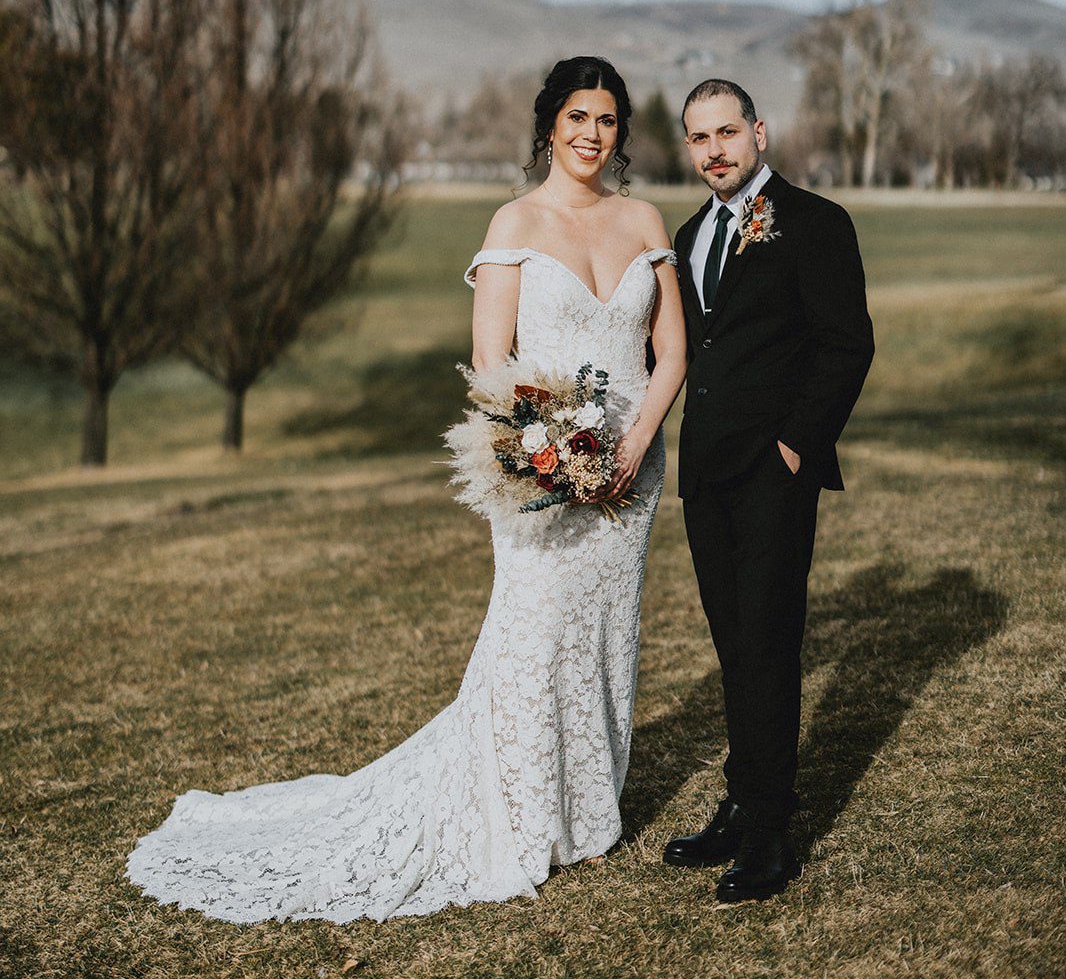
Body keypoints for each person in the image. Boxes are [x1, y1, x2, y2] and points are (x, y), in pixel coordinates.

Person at [125, 56, 687, 923]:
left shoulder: (643, 218)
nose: (592, 133)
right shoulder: (514, 222)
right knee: (533, 635)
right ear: (549, 124)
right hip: (544, 469)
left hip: (633, 473)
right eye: (577, 115)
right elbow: (491, 364)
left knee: (609, 635)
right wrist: (552, 455)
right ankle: (525, 817)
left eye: (607, 119)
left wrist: (636, 443)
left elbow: (671, 349)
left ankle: (587, 816)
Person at [663, 78, 874, 902]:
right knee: (732, 643)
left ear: (757, 132)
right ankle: (740, 800)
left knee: (767, 641)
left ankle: (769, 834)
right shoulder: (689, 235)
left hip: (772, 472)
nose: (713, 150)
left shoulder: (816, 222)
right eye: (698, 137)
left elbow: (846, 345)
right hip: (704, 472)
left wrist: (793, 444)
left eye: (726, 132)